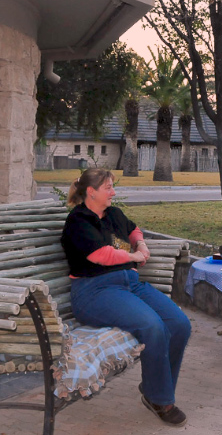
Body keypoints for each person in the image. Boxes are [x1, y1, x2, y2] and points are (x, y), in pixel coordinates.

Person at [61, 168, 191, 427]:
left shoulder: (113, 214)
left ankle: (153, 386)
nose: (113, 192)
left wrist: (141, 245)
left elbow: (134, 232)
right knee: (152, 326)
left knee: (179, 324)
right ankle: (159, 398)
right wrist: (133, 257)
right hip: (94, 292)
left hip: (128, 283)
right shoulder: (78, 222)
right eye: (108, 187)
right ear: (91, 192)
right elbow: (100, 255)